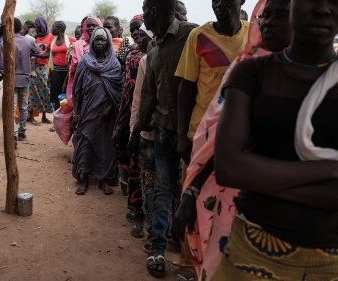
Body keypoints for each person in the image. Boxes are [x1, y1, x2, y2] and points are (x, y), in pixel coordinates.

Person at [212, 0, 338, 279]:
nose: (323, 8)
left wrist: (258, 179)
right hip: (251, 248)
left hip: (333, 260)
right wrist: (326, 170)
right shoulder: (251, 73)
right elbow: (228, 168)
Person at [173, 0, 292, 279]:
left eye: (282, 15)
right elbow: (215, 126)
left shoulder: (325, 79)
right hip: (221, 173)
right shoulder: (245, 68)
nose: (269, 22)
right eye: (266, 15)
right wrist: (192, 189)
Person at [131, 0, 197, 276]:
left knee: (193, 193)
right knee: (162, 189)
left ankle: (192, 255)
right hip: (162, 131)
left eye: (145, 9)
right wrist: (135, 132)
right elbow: (149, 97)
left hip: (195, 135)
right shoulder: (155, 48)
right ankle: (157, 248)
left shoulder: (192, 35)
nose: (143, 14)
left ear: (154, 12)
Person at [176, 0, 249, 164]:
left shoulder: (254, 34)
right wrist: (181, 136)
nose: (220, 4)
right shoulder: (198, 36)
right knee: (196, 188)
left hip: (241, 133)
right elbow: (186, 89)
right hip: (202, 132)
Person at [72, 27, 123, 196]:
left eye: (103, 40)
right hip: (87, 111)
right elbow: (77, 89)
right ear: (92, 42)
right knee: (85, 143)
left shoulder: (114, 64)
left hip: (106, 114)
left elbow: (118, 92)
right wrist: (76, 112)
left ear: (108, 42)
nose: (100, 43)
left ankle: (103, 180)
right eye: (97, 40)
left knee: (104, 146)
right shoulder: (85, 62)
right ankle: (83, 179)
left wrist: (109, 110)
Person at [113, 22, 152, 238]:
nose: (139, 36)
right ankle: (137, 210)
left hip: (156, 116)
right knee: (135, 159)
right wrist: (126, 120)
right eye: (137, 33)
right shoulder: (133, 55)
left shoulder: (159, 56)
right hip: (132, 103)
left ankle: (153, 218)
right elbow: (130, 87)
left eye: (143, 33)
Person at [129, 24, 155, 251]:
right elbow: (137, 100)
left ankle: (159, 231)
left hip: (168, 131)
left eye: (145, 37)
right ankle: (145, 222)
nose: (140, 40)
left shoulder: (172, 56)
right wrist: (133, 130)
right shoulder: (144, 61)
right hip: (146, 131)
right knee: (146, 181)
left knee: (164, 187)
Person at [65, 16, 103, 106]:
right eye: (88, 25)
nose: (91, 28)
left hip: (99, 85)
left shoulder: (104, 44)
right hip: (80, 84)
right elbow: (73, 67)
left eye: (94, 25)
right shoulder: (77, 45)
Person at [28, 17, 55, 125]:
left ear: (43, 25)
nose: (36, 26)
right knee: (32, 92)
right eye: (35, 25)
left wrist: (35, 54)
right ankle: (31, 117)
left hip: (44, 68)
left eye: (38, 24)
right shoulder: (34, 37)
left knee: (45, 92)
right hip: (33, 67)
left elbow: (49, 54)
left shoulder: (51, 37)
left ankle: (44, 116)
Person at [49, 21, 75, 111]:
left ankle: (65, 121)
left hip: (67, 73)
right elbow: (49, 56)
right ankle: (57, 121)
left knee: (66, 96)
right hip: (55, 72)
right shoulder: (53, 41)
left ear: (59, 28)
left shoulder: (71, 40)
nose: (52, 29)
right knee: (57, 98)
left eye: (53, 27)